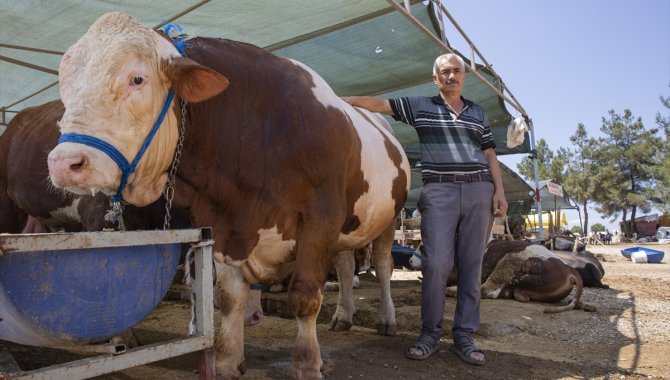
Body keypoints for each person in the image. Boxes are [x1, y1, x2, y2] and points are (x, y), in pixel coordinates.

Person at [342, 53, 507, 366]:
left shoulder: (478, 113)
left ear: (464, 76)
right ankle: (430, 334)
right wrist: (340, 100)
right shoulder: (421, 106)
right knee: (435, 264)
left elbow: (490, 154)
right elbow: (380, 105)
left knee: (472, 266)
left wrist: (498, 191)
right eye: (445, 72)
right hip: (439, 191)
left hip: (478, 190)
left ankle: (463, 337)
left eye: (457, 71)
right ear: (436, 79)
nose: (451, 76)